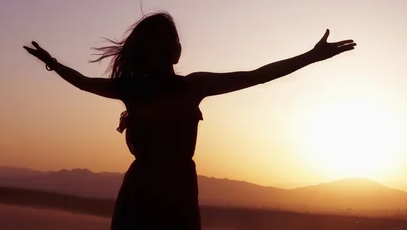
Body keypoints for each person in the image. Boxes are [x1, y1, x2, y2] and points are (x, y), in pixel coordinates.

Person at [23, 12, 356, 229]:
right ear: (172, 51)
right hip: (171, 192)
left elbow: (82, 81)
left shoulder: (137, 89)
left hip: (149, 191)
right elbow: (258, 76)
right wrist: (312, 56)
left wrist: (51, 62)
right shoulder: (191, 86)